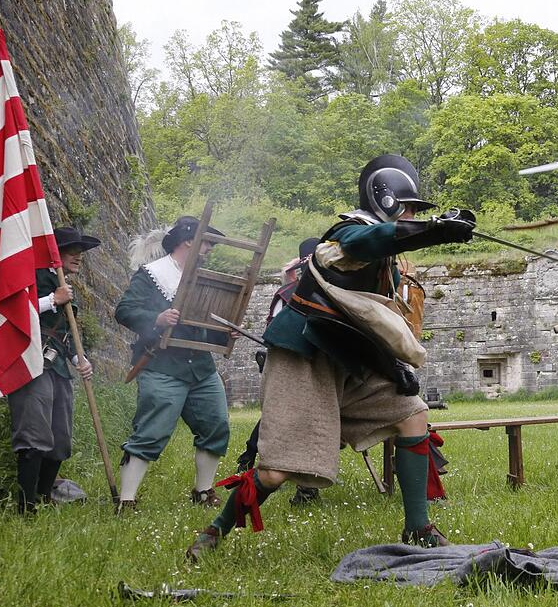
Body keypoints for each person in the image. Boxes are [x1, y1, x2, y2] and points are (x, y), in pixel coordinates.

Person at [186, 154, 474, 560]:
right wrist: (431, 230)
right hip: (303, 357)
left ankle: (419, 528)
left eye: (415, 212)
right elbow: (366, 243)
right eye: (407, 207)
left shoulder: (387, 260)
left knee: (413, 413)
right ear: (386, 200)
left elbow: (369, 319)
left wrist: (394, 368)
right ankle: (213, 534)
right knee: (274, 471)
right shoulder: (345, 237)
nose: (411, 214)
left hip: (346, 360)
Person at [114, 216, 231, 511]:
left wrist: (224, 331)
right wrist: (157, 318)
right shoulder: (151, 274)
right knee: (151, 432)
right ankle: (126, 500)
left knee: (215, 424)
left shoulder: (202, 277)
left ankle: (203, 492)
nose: (210, 249)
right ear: (188, 240)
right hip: (161, 366)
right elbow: (125, 310)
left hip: (201, 367)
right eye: (207, 242)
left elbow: (206, 322)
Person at [7, 227, 98, 513]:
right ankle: (26, 506)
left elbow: (63, 336)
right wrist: (51, 300)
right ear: (54, 252)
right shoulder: (31, 276)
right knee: (33, 433)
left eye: (80, 251)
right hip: (31, 363)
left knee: (60, 437)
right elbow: (10, 312)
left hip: (58, 367)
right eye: (72, 250)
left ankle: (45, 496)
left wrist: (77, 359)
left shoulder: (65, 286)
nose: (78, 257)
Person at [235, 237, 323, 506]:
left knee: (311, 424)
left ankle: (305, 486)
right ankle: (256, 463)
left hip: (321, 369)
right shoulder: (287, 294)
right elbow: (274, 334)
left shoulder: (328, 289)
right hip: (290, 368)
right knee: (285, 420)